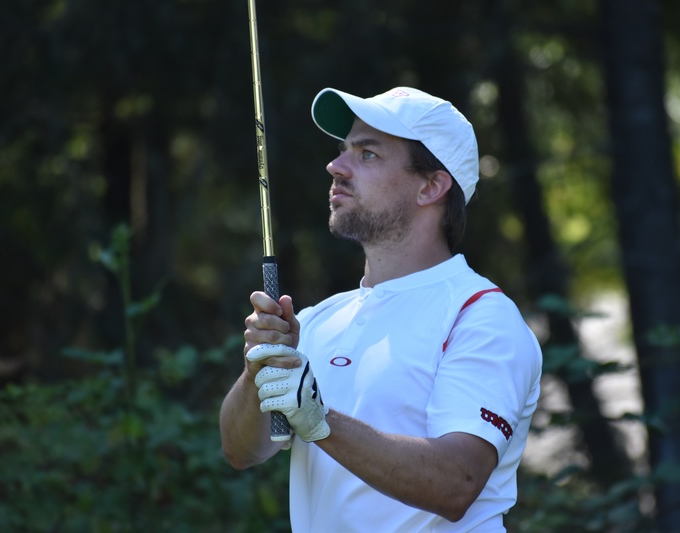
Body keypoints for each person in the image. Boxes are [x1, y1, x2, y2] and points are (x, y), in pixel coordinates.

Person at [219, 86, 542, 532]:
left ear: (431, 186)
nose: (336, 166)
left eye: (367, 154)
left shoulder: (480, 316)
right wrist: (257, 373)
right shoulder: (315, 320)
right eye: (343, 150)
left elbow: (457, 483)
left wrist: (320, 420)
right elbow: (241, 452)